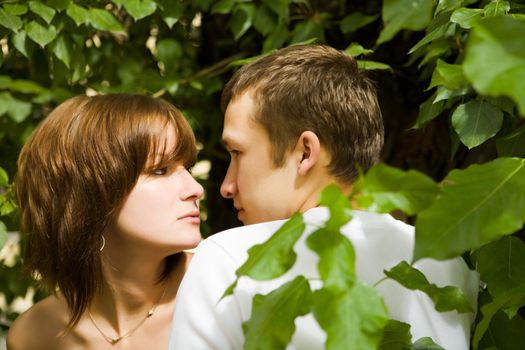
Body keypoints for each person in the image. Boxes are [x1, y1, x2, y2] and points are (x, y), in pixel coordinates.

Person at [168, 44, 479, 349]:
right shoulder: (449, 265)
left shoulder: (229, 260)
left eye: (238, 152)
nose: (226, 185)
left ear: (305, 153)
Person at [7, 94, 204, 349]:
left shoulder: (226, 290)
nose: (195, 188)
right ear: (89, 195)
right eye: (160, 170)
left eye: (187, 168)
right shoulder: (33, 335)